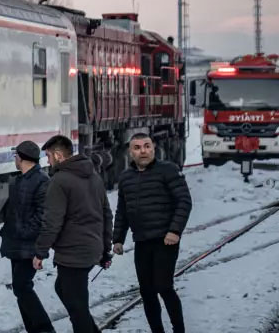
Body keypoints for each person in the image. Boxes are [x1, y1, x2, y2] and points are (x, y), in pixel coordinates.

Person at [112, 133, 192, 333]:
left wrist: (174, 231)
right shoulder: (126, 178)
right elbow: (122, 210)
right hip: (142, 241)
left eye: (147, 146)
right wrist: (118, 239)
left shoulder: (168, 170)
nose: (143, 151)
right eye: (137, 148)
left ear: (154, 148)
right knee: (147, 292)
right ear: (130, 152)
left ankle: (179, 330)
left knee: (164, 287)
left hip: (166, 241)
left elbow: (184, 202)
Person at [34, 135, 113, 333]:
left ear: (59, 155)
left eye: (49, 156)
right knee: (64, 290)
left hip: (73, 252)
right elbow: (106, 215)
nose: (48, 161)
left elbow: (52, 222)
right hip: (89, 248)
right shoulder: (94, 176)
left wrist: (40, 252)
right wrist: (105, 249)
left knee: (78, 308)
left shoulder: (59, 181)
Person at [0, 141, 54, 333]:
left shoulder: (41, 181)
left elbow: (42, 215)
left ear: (21, 158)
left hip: (28, 245)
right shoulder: (20, 180)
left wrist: (22, 232)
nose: (15, 159)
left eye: (16, 156)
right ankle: (35, 329)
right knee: (20, 288)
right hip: (16, 244)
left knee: (22, 286)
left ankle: (44, 329)